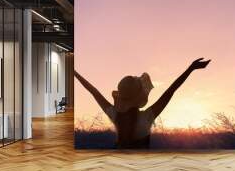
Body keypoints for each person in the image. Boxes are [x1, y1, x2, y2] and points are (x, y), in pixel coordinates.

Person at [74, 58, 211, 149]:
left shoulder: (116, 116)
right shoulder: (147, 117)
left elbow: (94, 92)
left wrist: (75, 73)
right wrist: (191, 68)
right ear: (140, 96)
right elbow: (171, 90)